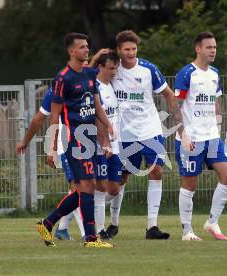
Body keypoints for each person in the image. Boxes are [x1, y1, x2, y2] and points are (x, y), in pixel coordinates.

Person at [36, 32, 115, 248]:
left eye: (88, 46)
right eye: (82, 47)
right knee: (88, 186)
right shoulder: (63, 78)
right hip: (75, 139)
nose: (86, 50)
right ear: (72, 51)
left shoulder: (90, 74)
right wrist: (52, 148)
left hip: (90, 138)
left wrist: (107, 125)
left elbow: (96, 105)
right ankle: (91, 238)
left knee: (84, 190)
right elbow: (54, 116)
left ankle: (48, 223)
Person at [112, 30, 175, 239]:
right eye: (127, 49)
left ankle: (152, 226)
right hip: (124, 133)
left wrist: (177, 119)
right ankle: (113, 223)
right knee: (121, 178)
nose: (131, 53)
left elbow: (168, 93)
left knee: (156, 171)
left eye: (134, 49)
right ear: (119, 50)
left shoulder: (148, 69)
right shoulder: (112, 70)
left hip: (150, 129)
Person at [174, 32, 227, 241]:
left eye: (215, 47)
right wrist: (184, 135)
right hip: (191, 138)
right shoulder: (187, 73)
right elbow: (175, 107)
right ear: (198, 49)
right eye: (209, 47)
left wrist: (218, 125)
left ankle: (212, 222)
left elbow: (217, 102)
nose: (213, 51)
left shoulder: (215, 73)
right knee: (189, 184)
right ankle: (187, 231)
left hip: (212, 137)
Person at [16, 87, 85, 241]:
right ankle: (87, 234)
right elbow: (38, 119)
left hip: (88, 145)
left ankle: (60, 227)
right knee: (79, 189)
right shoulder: (58, 88)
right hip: (67, 146)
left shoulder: (91, 83)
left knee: (87, 190)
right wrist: (27, 142)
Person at [93, 50, 125, 240]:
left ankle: (84, 206)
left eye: (116, 68)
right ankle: (99, 229)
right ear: (101, 67)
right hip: (99, 146)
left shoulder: (112, 85)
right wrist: (104, 141)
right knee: (100, 187)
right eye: (111, 68)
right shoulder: (94, 87)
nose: (114, 72)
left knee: (114, 188)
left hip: (116, 145)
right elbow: (96, 117)